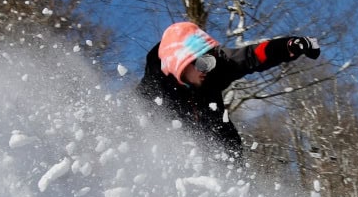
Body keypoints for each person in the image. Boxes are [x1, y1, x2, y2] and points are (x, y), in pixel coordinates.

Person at [137, 21, 321, 155]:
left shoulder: (215, 69)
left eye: (209, 61)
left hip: (222, 149)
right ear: (179, 62)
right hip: (176, 155)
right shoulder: (153, 89)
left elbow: (250, 56)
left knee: (229, 151)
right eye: (201, 63)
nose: (206, 69)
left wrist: (289, 46)